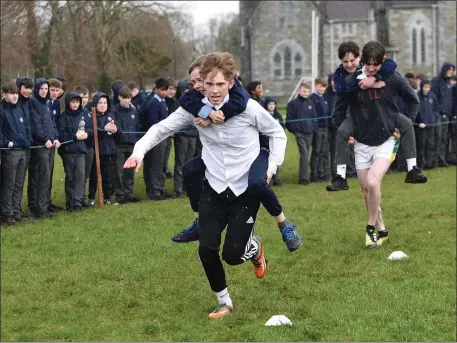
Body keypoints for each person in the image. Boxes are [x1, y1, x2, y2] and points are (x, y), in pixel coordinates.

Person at [124, 52, 287, 319]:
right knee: (206, 248)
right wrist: (138, 152)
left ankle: (254, 247)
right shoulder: (194, 108)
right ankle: (224, 301)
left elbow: (277, 133)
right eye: (208, 84)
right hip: (213, 187)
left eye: (219, 85)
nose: (213, 90)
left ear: (230, 83)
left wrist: (270, 168)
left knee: (233, 255)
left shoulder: (247, 108)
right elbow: (161, 128)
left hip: (245, 189)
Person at [171, 56, 302, 252]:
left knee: (257, 183)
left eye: (200, 80)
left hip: (257, 145)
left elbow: (239, 103)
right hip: (224, 152)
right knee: (190, 169)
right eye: (195, 82)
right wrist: (207, 112)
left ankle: (284, 224)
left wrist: (214, 116)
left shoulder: (236, 93)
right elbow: (185, 99)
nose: (197, 85)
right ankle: (197, 222)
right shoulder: (198, 95)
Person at [333, 41, 420, 248]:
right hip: (362, 143)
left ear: (381, 61)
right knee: (367, 192)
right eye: (367, 65)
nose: (371, 69)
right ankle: (382, 230)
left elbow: (413, 100)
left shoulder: (391, 77)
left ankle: (370, 229)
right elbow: (339, 106)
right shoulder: (351, 81)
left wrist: (404, 124)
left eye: (375, 65)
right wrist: (347, 133)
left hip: (386, 141)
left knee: (373, 183)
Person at [327, 41, 427, 192]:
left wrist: (374, 78)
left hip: (387, 120)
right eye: (345, 61)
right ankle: (340, 177)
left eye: (352, 60)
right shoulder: (343, 77)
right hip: (358, 123)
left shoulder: (387, 72)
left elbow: (392, 66)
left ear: (359, 58)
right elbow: (340, 95)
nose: (349, 64)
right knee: (341, 131)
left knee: (406, 123)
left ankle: (412, 169)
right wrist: (364, 84)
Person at [28, 78, 60, 218]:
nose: (44, 91)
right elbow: (35, 124)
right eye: (42, 88)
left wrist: (55, 137)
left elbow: (51, 123)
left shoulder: (46, 104)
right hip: (40, 145)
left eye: (46, 89)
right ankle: (39, 208)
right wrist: (44, 139)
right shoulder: (33, 103)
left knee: (47, 176)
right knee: (41, 175)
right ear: (37, 88)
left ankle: (44, 204)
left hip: (50, 145)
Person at [1, 82, 32, 224]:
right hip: (10, 152)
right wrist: (7, 142)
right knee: (9, 184)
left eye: (16, 93)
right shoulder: (2, 110)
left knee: (19, 183)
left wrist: (28, 140)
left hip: (23, 151)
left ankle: (17, 211)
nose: (15, 96)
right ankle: (7, 214)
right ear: (4, 94)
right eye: (11, 93)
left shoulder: (20, 108)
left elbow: (25, 127)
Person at [58, 92, 92, 212]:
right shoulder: (63, 117)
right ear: (68, 102)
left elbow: (90, 128)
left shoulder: (83, 115)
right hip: (69, 151)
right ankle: (70, 202)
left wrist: (87, 134)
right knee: (71, 177)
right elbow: (61, 135)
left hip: (81, 150)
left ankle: (78, 202)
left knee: (80, 176)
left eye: (77, 102)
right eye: (73, 102)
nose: (75, 104)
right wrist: (74, 136)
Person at [141, 78, 170, 200]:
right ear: (156, 89)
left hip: (163, 137)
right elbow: (154, 122)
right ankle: (154, 191)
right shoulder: (153, 103)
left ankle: (160, 188)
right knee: (154, 164)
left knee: (161, 164)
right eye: (162, 90)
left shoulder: (163, 102)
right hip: (156, 138)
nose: (164, 92)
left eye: (166, 90)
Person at [88, 93, 119, 205]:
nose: (102, 105)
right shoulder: (91, 116)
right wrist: (103, 129)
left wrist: (116, 129)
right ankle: (91, 197)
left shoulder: (110, 115)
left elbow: (118, 130)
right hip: (97, 150)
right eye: (100, 103)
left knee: (108, 175)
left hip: (109, 150)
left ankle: (108, 196)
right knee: (94, 175)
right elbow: (92, 132)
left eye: (105, 103)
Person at [112, 86, 140, 203]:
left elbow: (137, 126)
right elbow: (114, 126)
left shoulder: (133, 111)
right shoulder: (114, 111)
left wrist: (136, 139)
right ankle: (120, 194)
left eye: (129, 98)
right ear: (119, 97)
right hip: (119, 145)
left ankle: (129, 193)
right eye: (124, 98)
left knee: (130, 171)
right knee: (119, 171)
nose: (127, 100)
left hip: (131, 145)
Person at [285, 82, 317, 185]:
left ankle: (306, 175)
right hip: (299, 133)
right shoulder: (292, 104)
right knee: (304, 154)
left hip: (309, 133)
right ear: (299, 91)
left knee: (306, 154)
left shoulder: (310, 103)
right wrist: (295, 131)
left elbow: (314, 118)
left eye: (308, 91)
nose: (306, 93)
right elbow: (289, 120)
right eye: (304, 91)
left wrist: (312, 128)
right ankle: (303, 179)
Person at [172, 81, 197, 198]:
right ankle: (178, 189)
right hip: (182, 136)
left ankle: (187, 187)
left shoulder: (193, 102)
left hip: (192, 135)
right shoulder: (178, 104)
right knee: (180, 163)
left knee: (189, 163)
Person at [46, 78, 65, 213]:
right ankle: (39, 204)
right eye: (52, 90)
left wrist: (56, 137)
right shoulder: (42, 102)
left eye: (57, 90)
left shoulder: (57, 103)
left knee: (50, 172)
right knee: (41, 174)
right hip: (42, 143)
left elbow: (55, 123)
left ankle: (47, 202)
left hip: (52, 143)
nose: (54, 93)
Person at [432, 62, 455, 167]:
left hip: (448, 114)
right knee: (439, 138)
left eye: (452, 70)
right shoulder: (436, 81)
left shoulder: (449, 82)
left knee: (445, 138)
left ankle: (444, 159)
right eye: (449, 70)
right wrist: (439, 109)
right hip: (440, 114)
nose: (451, 72)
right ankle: (437, 160)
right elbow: (434, 97)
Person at [74, 85, 94, 207]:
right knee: (78, 174)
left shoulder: (87, 112)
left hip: (89, 145)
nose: (84, 100)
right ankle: (76, 198)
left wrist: (89, 132)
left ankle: (82, 197)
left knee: (86, 173)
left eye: (86, 97)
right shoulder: (75, 112)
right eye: (82, 97)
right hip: (78, 147)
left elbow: (91, 127)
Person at [310, 78, 331, 182]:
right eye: (320, 86)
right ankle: (314, 175)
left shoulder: (324, 98)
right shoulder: (313, 98)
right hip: (318, 128)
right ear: (316, 86)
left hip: (325, 127)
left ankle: (321, 172)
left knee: (323, 151)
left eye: (324, 87)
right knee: (316, 151)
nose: (322, 88)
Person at [415, 80, 438, 170]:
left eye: (428, 87)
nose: (426, 89)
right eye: (425, 87)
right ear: (421, 87)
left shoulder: (432, 96)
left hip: (430, 125)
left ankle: (429, 163)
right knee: (421, 145)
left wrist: (433, 119)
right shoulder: (417, 97)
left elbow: (436, 109)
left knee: (431, 144)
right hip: (421, 126)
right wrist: (419, 121)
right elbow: (416, 111)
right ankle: (421, 164)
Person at [263, 96, 284, 186]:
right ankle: (265, 178)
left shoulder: (278, 115)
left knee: (275, 159)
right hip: (265, 140)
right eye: (270, 104)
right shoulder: (263, 114)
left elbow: (282, 126)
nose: (272, 106)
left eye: (273, 104)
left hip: (275, 141)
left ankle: (276, 179)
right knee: (265, 159)